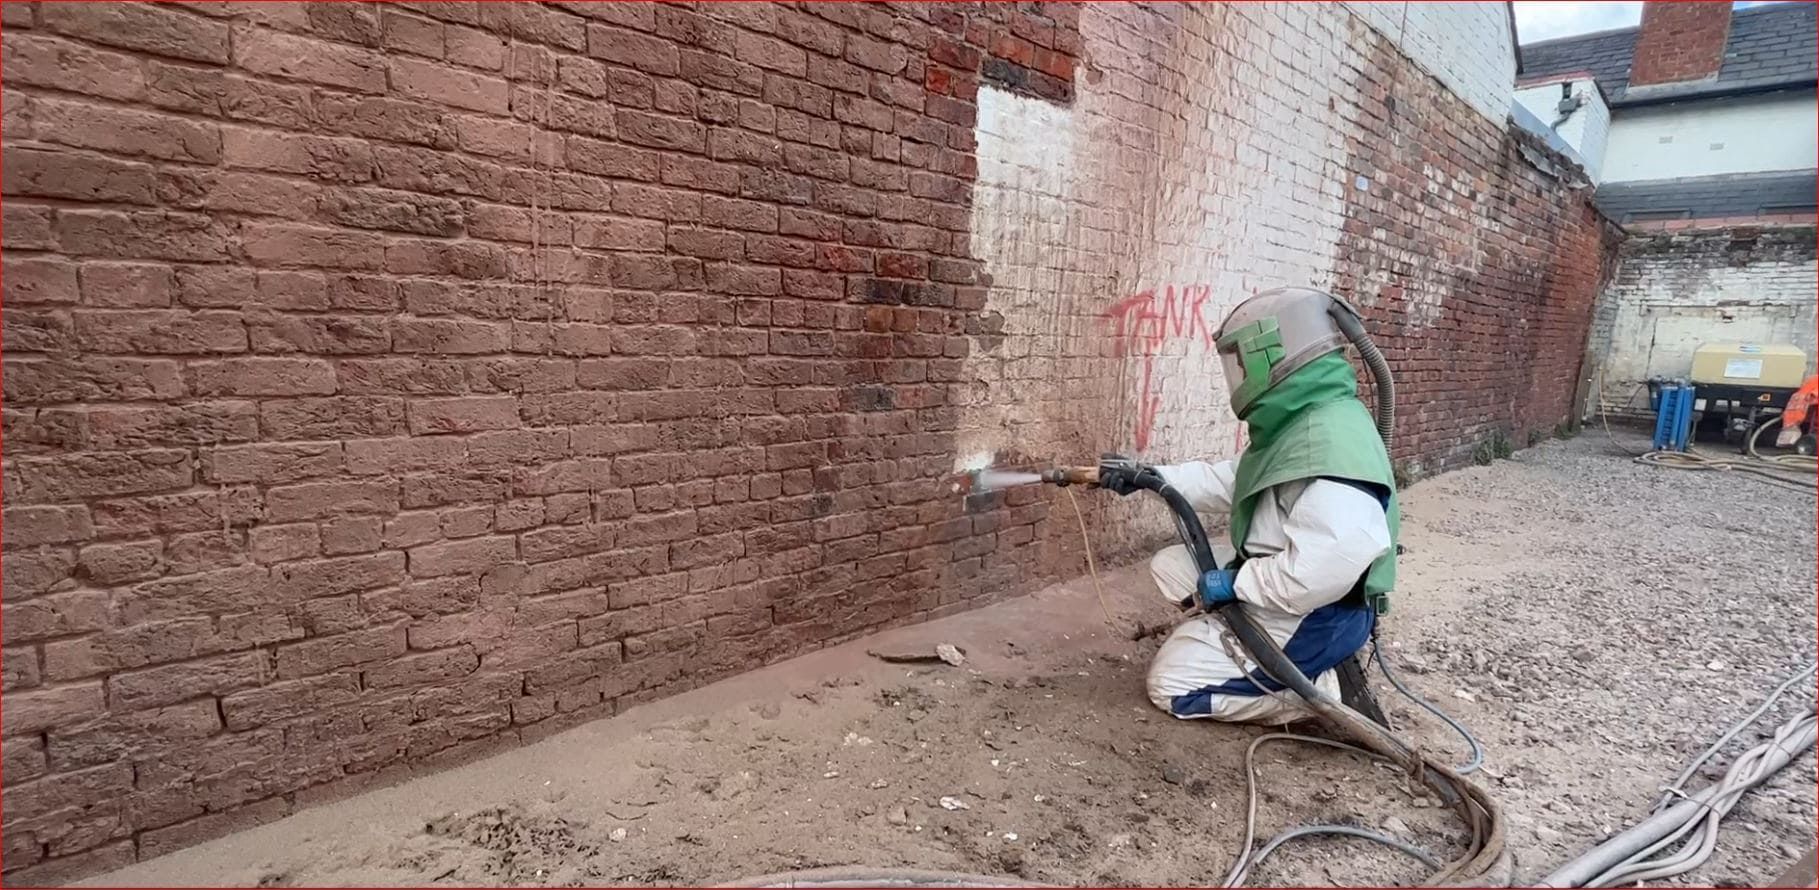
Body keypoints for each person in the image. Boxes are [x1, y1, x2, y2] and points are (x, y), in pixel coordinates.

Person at [1099, 287, 1401, 724]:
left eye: (1240, 361)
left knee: (1171, 686)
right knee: (1171, 566)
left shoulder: (1332, 449)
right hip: (1286, 583)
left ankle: (1318, 691)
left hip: (1315, 616)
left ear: (1271, 359)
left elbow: (1313, 577)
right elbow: (1235, 480)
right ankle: (1240, 644)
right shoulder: (1306, 423)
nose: (1236, 372)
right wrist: (1150, 476)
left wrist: (1236, 585)